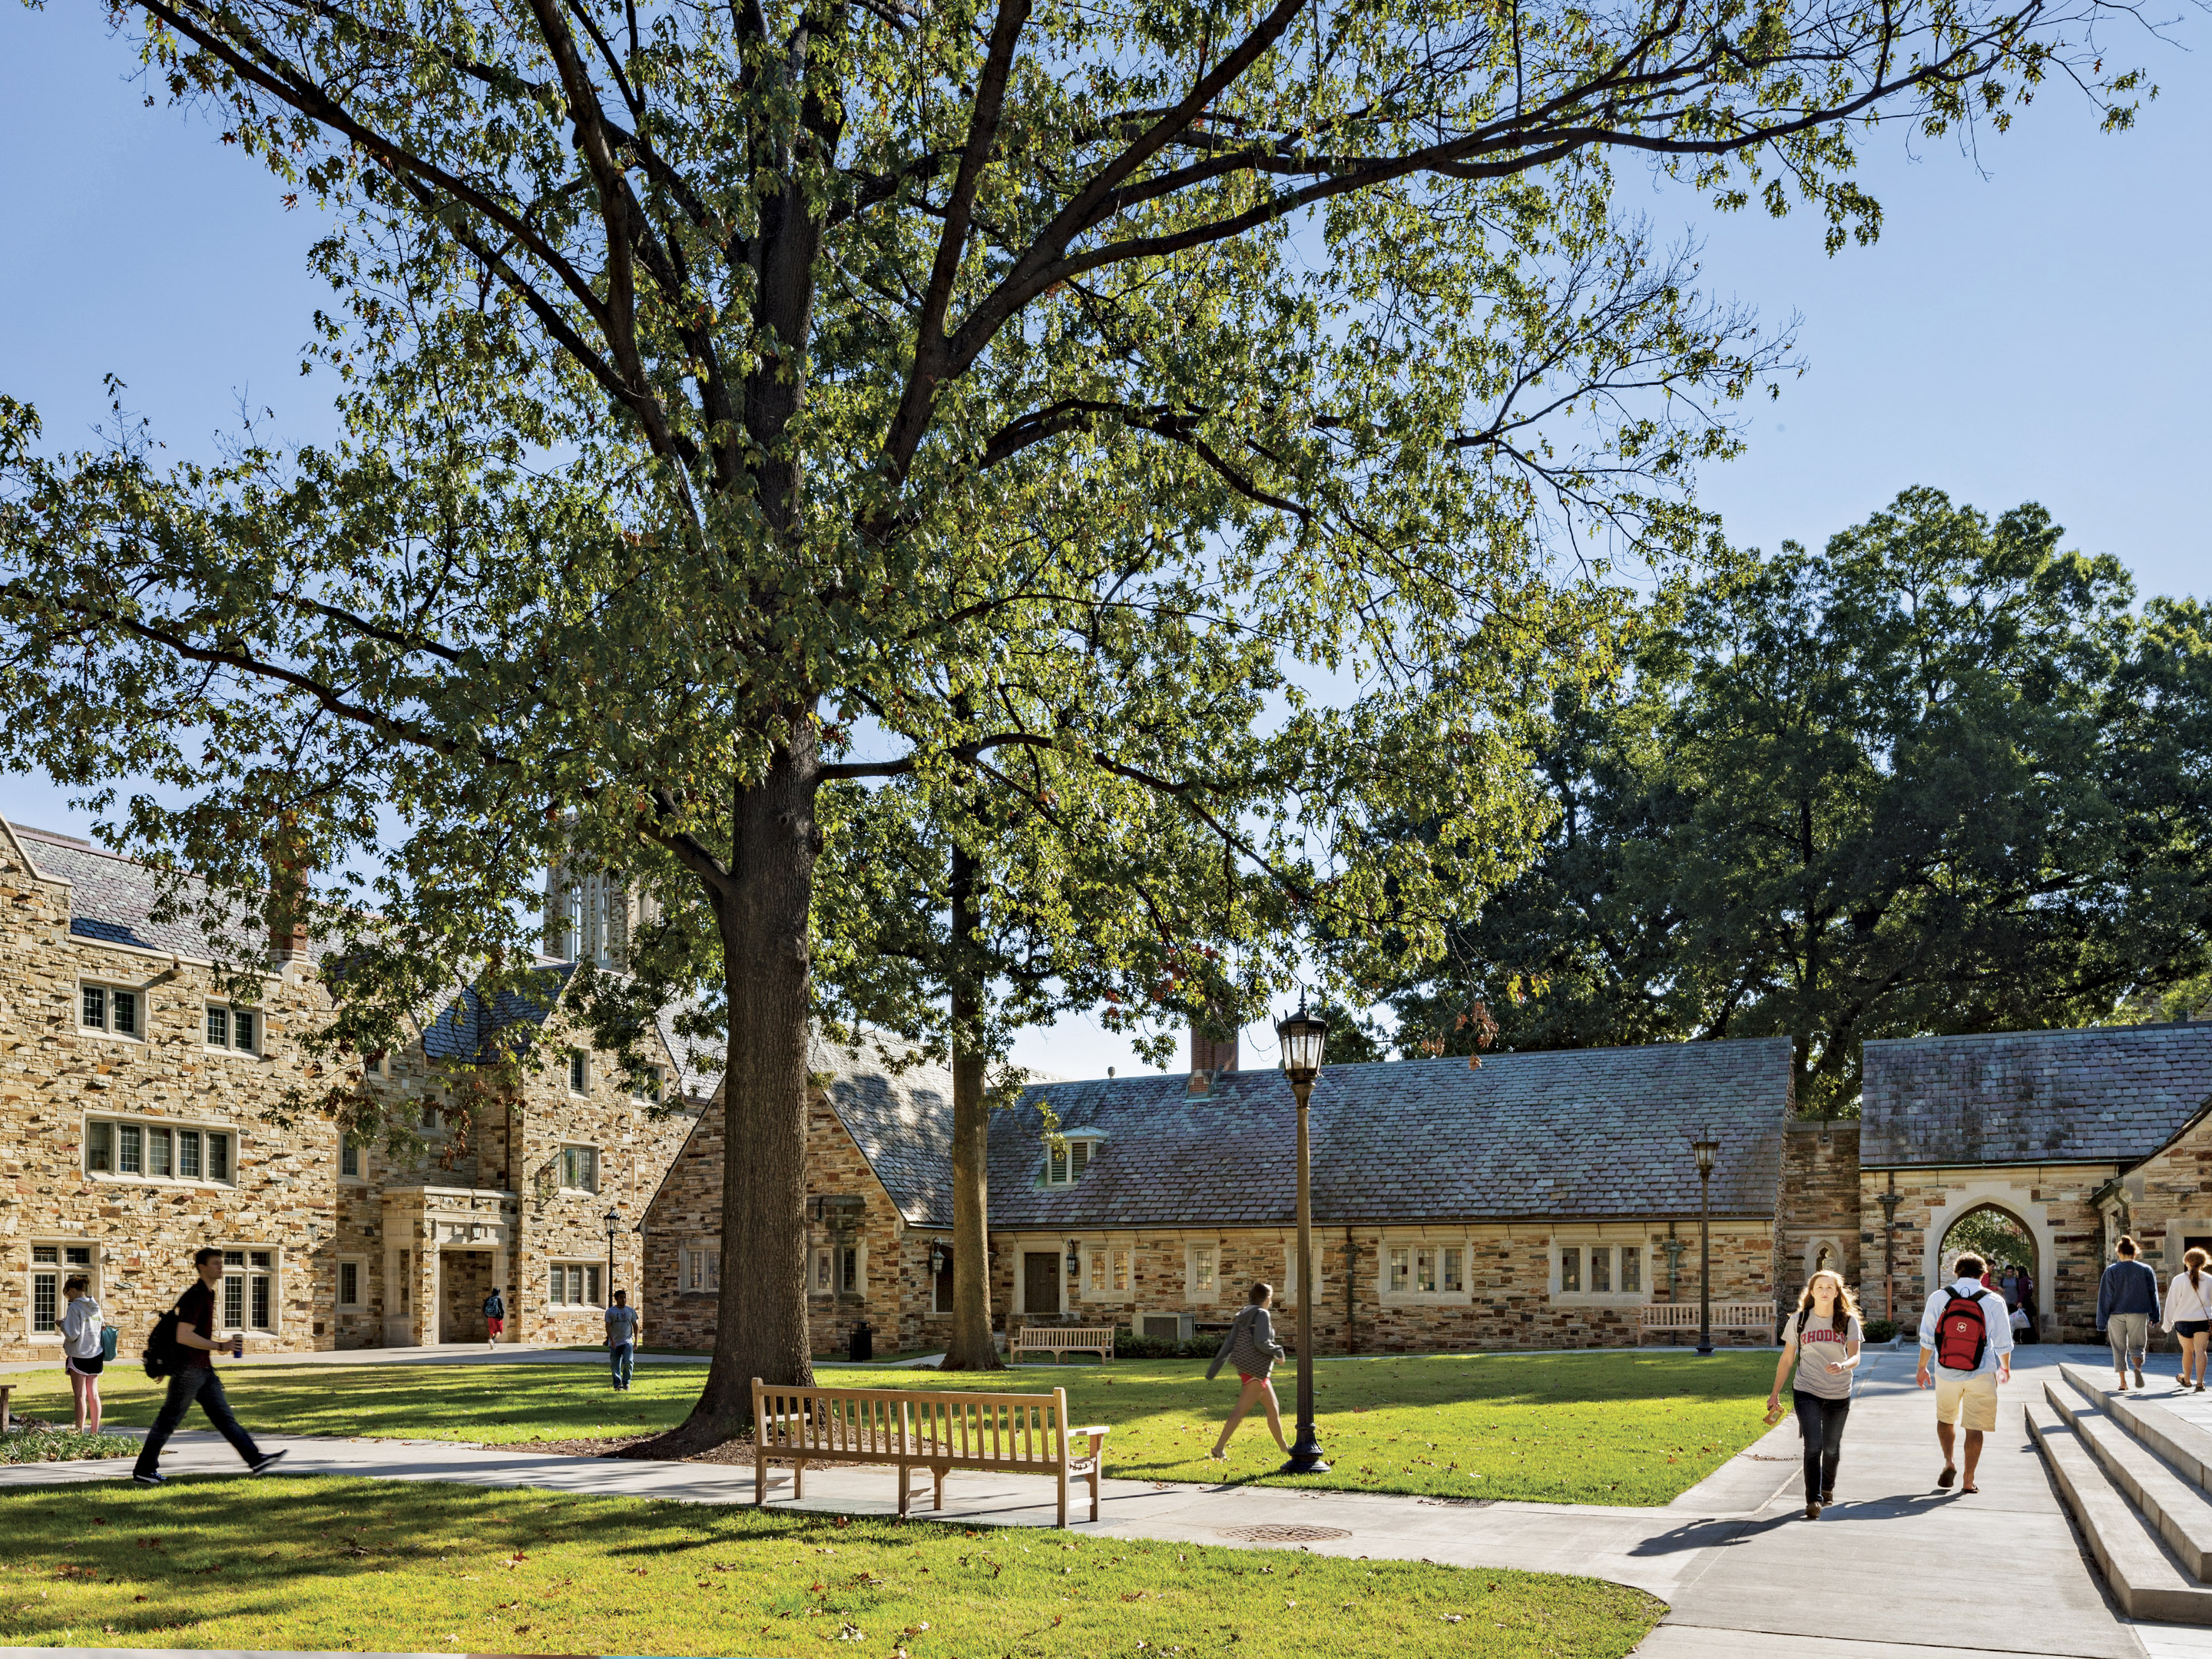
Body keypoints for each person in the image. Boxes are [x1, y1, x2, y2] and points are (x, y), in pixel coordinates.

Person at [131, 1247, 286, 1486]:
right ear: (202, 1266)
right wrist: (220, 1346)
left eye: (221, 1263)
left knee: (224, 1418)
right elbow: (184, 1335)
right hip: (189, 1371)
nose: (220, 1267)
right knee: (169, 1420)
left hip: (202, 1370)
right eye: (216, 1263)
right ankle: (144, 1470)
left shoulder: (207, 1293)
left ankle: (256, 1460)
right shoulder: (195, 1295)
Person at [1766, 1268, 1864, 1520]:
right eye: (1820, 1287)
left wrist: (1843, 1365)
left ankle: (1827, 1488)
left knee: (1831, 1448)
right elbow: (1788, 1359)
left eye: (1830, 1287)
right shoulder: (1799, 1321)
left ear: (1836, 1293)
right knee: (1813, 1446)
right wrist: (1775, 1393)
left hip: (1839, 1392)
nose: (1824, 1291)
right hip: (1806, 1389)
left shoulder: (1848, 1321)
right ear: (1812, 1291)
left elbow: (1855, 1356)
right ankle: (1814, 1500)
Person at [1917, 1252, 2013, 1495]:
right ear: (1984, 1275)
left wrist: (1922, 1368)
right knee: (1975, 1426)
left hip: (1946, 1371)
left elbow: (1928, 1337)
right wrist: (2005, 1368)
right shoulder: (1993, 1300)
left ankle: (1949, 1461)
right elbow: (2003, 1341)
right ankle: (1969, 1480)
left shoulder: (1939, 1297)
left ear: (1956, 1273)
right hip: (1981, 1371)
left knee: (1945, 1418)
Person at [1205, 1281, 1290, 1461]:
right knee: (1241, 1410)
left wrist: (1213, 1369)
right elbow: (1261, 1342)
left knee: (1273, 1408)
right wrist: (1278, 1351)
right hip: (1256, 1370)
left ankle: (1285, 1449)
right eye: (1271, 1298)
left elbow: (1230, 1342)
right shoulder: (1261, 1314)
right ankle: (1218, 1448)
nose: (1271, 1301)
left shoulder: (1244, 1313)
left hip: (1248, 1368)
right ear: (1266, 1298)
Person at [2098, 1237, 2160, 1392]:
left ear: (2119, 1253)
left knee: (2118, 1348)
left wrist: (2101, 1321)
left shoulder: (2111, 1271)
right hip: (2139, 1312)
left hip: (2116, 1313)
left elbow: (2105, 1297)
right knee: (2137, 1346)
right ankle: (2137, 1369)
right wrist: (2155, 1315)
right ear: (2135, 1253)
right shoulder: (2146, 1270)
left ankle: (2123, 1382)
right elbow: (2153, 1294)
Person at [59, 1275, 107, 1433]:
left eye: (67, 1294)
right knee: (93, 1394)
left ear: (72, 1290)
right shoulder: (96, 1307)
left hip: (79, 1355)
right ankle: (94, 1432)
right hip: (95, 1353)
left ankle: (79, 1431)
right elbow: (103, 1325)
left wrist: (62, 1324)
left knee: (80, 1396)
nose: (68, 1298)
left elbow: (72, 1334)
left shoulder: (74, 1308)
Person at [2168, 1247, 2212, 1393]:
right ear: (2204, 1263)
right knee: (2201, 1351)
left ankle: (2186, 1380)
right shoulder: (2209, 1280)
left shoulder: (2179, 1280)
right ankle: (2200, 1383)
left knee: (2187, 1351)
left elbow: (2171, 1302)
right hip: (2202, 1320)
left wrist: (2167, 1323)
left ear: (2186, 1262)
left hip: (2183, 1320)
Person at [604, 1288, 639, 1390]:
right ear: (616, 1299)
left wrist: (636, 1340)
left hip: (627, 1341)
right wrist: (611, 1339)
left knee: (629, 1361)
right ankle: (617, 1385)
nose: (623, 1300)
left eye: (625, 1297)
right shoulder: (611, 1312)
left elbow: (636, 1326)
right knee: (615, 1365)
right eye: (621, 1298)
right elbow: (608, 1326)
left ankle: (626, 1383)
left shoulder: (630, 1311)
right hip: (615, 1342)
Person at [482, 1286, 505, 1351]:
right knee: (499, 1331)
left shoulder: (488, 1299)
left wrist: (486, 1315)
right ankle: (492, 1340)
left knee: (492, 1331)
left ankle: (492, 1346)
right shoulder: (498, 1299)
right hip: (497, 1317)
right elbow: (502, 1309)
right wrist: (502, 1316)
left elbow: (484, 1308)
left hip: (490, 1317)